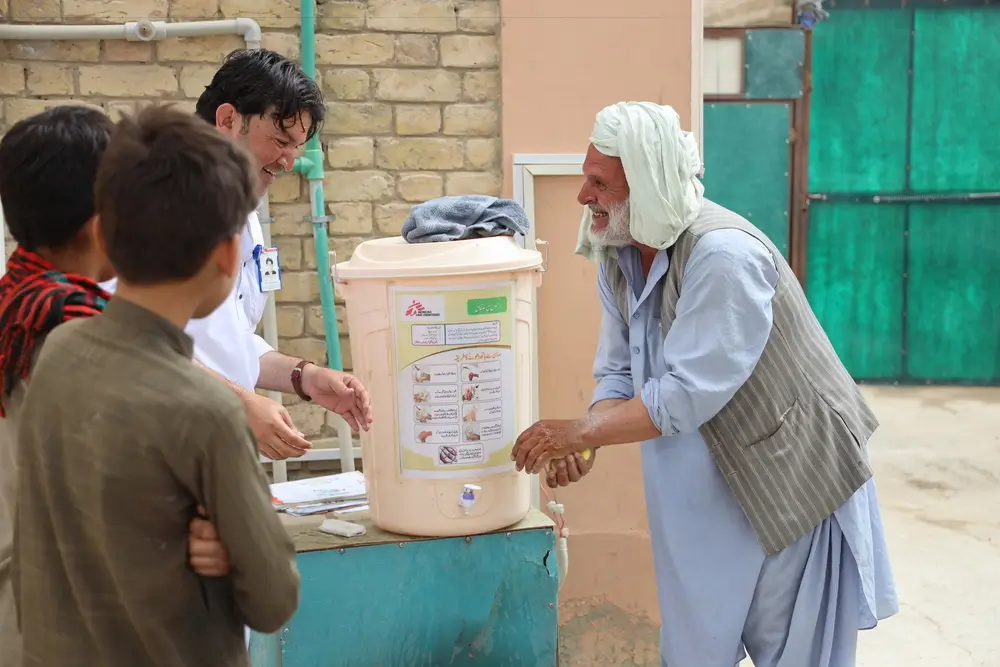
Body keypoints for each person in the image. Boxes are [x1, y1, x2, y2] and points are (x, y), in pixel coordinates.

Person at [512, 101, 898, 667]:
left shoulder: (724, 255)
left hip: (793, 483)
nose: (583, 196)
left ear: (644, 187)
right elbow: (618, 370)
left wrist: (579, 430)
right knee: (693, 652)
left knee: (793, 655)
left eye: (599, 182)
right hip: (706, 494)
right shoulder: (619, 254)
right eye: (584, 177)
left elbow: (686, 395)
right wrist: (588, 438)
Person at [13, 104, 300, 667]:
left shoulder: (57, 347)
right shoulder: (209, 411)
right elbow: (273, 599)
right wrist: (231, 550)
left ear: (106, 237)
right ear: (226, 254)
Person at [102, 48, 373, 461]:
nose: (287, 161)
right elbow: (117, 336)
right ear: (228, 120)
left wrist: (306, 378)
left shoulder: (244, 215)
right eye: (280, 141)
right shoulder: (153, 201)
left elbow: (228, 339)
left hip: (208, 455)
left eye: (297, 147)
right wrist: (236, 402)